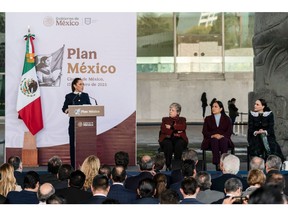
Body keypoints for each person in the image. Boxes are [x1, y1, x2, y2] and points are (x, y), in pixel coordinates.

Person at [62, 77, 91, 168]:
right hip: (73, 124)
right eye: (80, 84)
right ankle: (73, 165)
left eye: (83, 84)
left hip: (84, 125)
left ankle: (85, 165)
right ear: (75, 86)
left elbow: (89, 107)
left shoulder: (85, 95)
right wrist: (67, 110)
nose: (82, 86)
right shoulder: (69, 96)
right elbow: (64, 108)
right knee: (73, 145)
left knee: (84, 145)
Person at [201, 100, 234, 170]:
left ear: (221, 109)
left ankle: (223, 162)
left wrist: (222, 136)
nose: (213, 108)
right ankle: (217, 163)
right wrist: (213, 135)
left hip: (224, 138)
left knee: (223, 140)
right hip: (211, 139)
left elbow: (229, 131)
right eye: (212, 106)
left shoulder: (227, 119)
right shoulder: (208, 119)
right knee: (214, 140)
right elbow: (205, 131)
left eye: (216, 106)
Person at [159, 102, 188, 171]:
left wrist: (171, 127)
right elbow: (164, 130)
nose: (170, 112)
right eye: (170, 110)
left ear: (178, 112)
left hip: (179, 139)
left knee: (179, 144)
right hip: (167, 138)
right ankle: (168, 165)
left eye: (172, 110)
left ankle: (176, 165)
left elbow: (183, 127)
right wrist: (176, 131)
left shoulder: (182, 119)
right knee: (168, 144)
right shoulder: (165, 119)